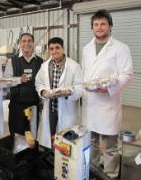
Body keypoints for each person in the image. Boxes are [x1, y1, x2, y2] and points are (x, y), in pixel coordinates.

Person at [82, 9, 133, 179]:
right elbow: (85, 73)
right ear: (92, 28)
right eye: (96, 24)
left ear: (110, 26)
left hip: (108, 104)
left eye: (103, 23)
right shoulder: (86, 49)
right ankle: (94, 171)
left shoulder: (120, 48)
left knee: (110, 146)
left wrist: (108, 88)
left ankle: (110, 175)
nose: (99, 27)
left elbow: (127, 74)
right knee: (92, 142)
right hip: (91, 103)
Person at [35, 37, 83, 148]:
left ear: (63, 49)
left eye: (57, 48)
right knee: (50, 135)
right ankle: (51, 157)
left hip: (67, 109)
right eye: (51, 49)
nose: (54, 51)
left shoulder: (74, 66)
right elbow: (39, 83)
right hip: (50, 108)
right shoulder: (45, 66)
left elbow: (80, 87)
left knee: (65, 139)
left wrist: (69, 92)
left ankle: (62, 159)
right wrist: (43, 92)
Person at [4, 33, 43, 137]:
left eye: (29, 41)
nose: (27, 43)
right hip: (16, 106)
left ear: (33, 43)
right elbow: (6, 81)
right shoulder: (12, 60)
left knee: (32, 136)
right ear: (20, 44)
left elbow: (43, 82)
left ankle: (30, 153)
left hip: (33, 105)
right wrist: (18, 79)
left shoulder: (40, 62)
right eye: (24, 41)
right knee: (16, 136)